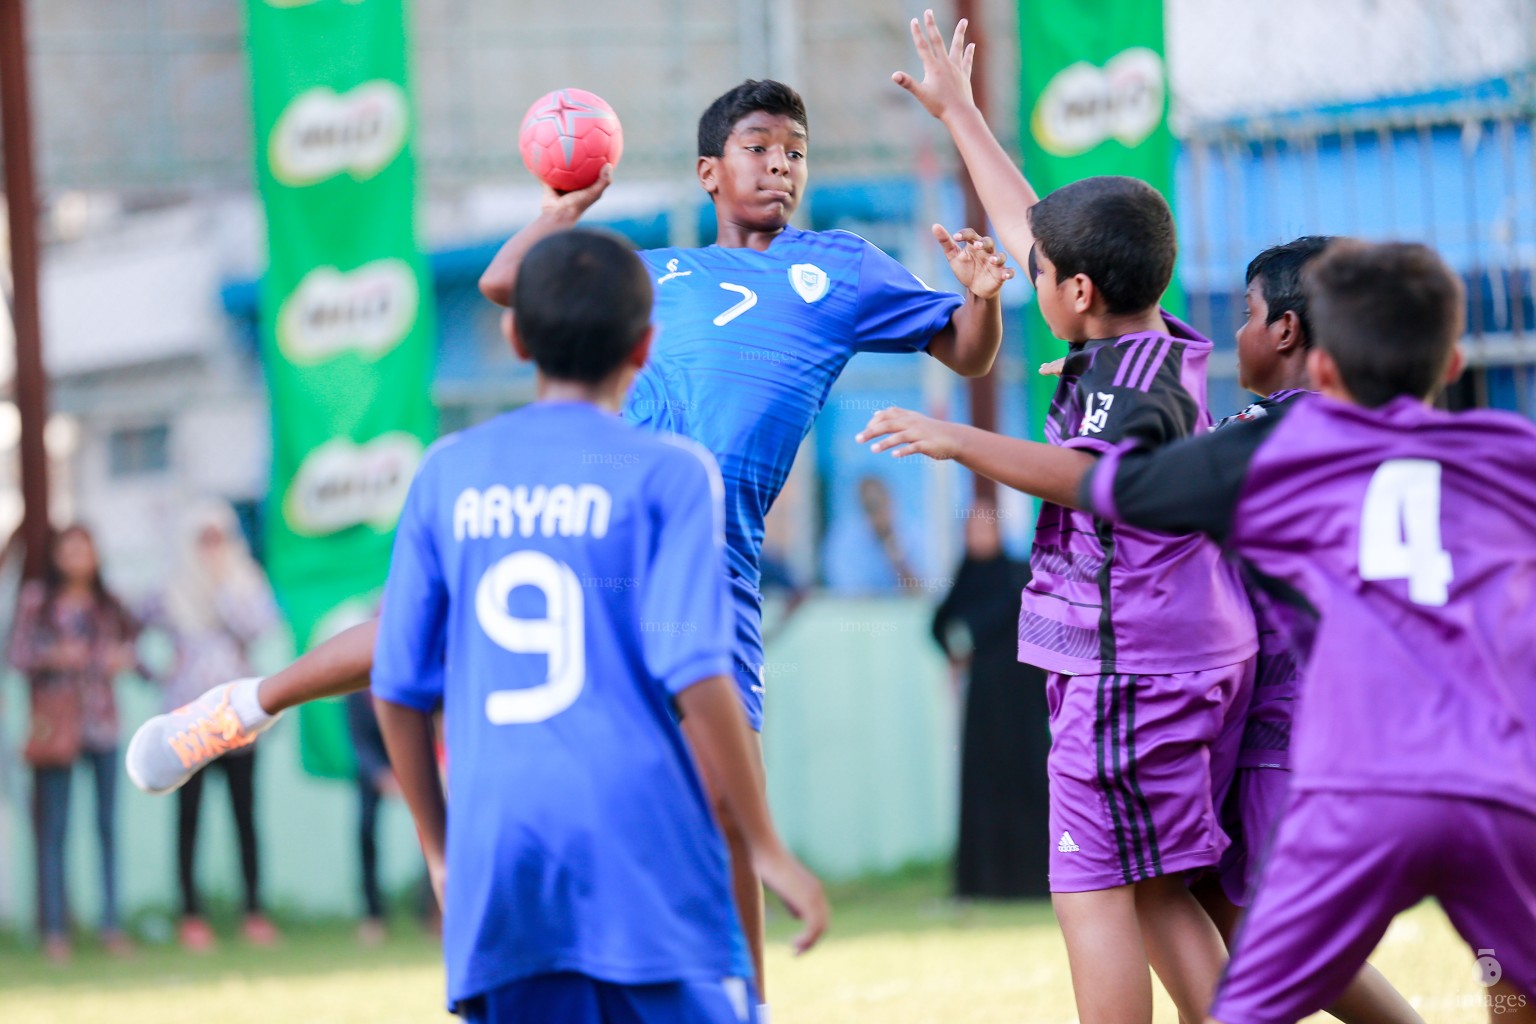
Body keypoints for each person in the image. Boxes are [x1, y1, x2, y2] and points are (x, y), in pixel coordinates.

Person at [129, 77, 1010, 1013]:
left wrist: (983, 300)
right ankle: (240, 704)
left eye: (796, 149)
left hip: (715, 554)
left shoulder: (845, 267)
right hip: (601, 507)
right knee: (427, 627)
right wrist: (560, 212)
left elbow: (966, 351)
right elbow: (511, 286)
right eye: (760, 146)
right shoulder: (650, 272)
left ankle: (742, 1001)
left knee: (720, 808)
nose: (782, 164)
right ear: (710, 171)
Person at [860, 238, 1536, 1021]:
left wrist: (1007, 424)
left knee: (1245, 994)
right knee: (1511, 975)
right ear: (1452, 362)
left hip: (1363, 790)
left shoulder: (1280, 449)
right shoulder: (1511, 451)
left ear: (1316, 365)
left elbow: (1113, 483)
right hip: (1498, 780)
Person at [887, 14, 1259, 1024]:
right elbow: (1032, 226)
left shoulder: (1126, 396)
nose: (1026, 268)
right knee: (1155, 889)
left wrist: (957, 438)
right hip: (1177, 655)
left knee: (1092, 887)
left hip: (1133, 664)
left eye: (1041, 274)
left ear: (1079, 290)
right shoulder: (1152, 344)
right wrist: (961, 110)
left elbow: (1087, 479)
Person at [383, 229, 826, 1020]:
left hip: (501, 843)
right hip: (638, 835)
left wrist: (441, 847)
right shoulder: (668, 471)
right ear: (647, 345)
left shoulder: (447, 471)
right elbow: (695, 665)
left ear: (515, 336)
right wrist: (762, 841)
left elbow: (397, 684)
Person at [149, 501, 282, 951]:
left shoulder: (245, 580)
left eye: (218, 537)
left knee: (245, 815)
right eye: (202, 538)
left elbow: (257, 628)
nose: (211, 547)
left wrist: (222, 584)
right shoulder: (173, 587)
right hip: (188, 721)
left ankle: (254, 911)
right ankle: (191, 915)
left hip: (237, 719)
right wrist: (152, 671)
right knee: (189, 817)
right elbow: (131, 629)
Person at [10, 524, 139, 963]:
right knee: (55, 829)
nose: (77, 557)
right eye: (70, 549)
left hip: (102, 725)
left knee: (107, 827)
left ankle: (111, 925)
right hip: (57, 727)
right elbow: (16, 655)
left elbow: (135, 651)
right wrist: (54, 656)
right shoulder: (37, 601)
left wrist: (123, 660)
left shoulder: (109, 604)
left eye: (85, 549)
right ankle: (56, 931)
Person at [929, 507, 1050, 899]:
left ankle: (1036, 878)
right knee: (984, 780)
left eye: (985, 528)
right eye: (972, 528)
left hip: (1023, 695)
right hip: (984, 698)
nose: (978, 536)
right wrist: (954, 653)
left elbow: (1031, 619)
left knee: (1029, 774)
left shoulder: (1019, 573)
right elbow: (939, 623)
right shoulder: (965, 577)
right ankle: (984, 881)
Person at [345, 688, 399, 945]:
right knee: (365, 831)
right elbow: (358, 741)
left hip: (412, 755)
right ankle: (372, 914)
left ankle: (435, 912)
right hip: (373, 769)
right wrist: (380, 774)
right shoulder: (355, 693)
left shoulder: (407, 675)